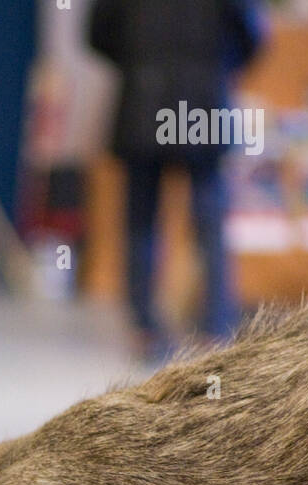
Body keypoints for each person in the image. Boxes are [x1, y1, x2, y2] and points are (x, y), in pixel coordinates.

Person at [88, 0, 266, 359]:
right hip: (204, 99)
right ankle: (215, 330)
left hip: (143, 97)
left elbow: (97, 33)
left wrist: (137, 62)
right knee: (210, 223)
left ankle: (144, 330)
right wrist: (218, 65)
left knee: (140, 220)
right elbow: (251, 31)